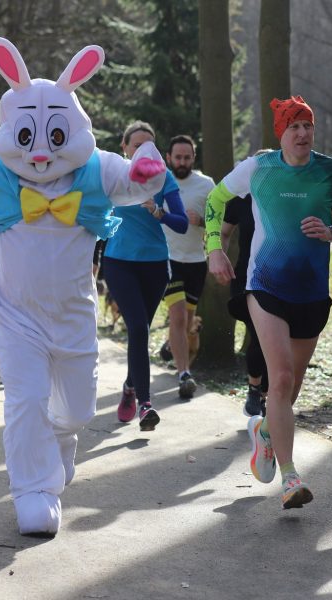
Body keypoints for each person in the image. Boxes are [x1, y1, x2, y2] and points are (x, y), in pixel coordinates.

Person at [0, 38, 167, 536]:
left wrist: (149, 168)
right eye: (29, 136)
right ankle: (33, 491)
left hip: (73, 313)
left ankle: (60, 443)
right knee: (25, 400)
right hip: (15, 311)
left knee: (75, 409)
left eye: (55, 135)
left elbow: (138, 186)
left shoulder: (95, 169)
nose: (43, 151)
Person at [205, 96, 332, 509]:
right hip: (265, 285)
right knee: (283, 377)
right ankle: (290, 479)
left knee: (290, 385)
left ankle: (267, 434)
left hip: (311, 292)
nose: (303, 133)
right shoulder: (258, 168)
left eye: (308, 125)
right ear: (281, 133)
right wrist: (213, 249)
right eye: (294, 126)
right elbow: (214, 202)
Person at [105, 121, 189, 431]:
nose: (143, 150)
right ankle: (145, 404)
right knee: (138, 328)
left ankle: (130, 386)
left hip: (155, 265)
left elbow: (181, 223)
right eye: (137, 145)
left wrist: (159, 212)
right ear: (124, 148)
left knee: (139, 334)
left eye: (149, 145)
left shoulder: (163, 177)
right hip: (118, 261)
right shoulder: (112, 174)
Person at [160, 134, 214, 399]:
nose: (182, 162)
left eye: (187, 157)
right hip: (167, 259)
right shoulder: (159, 182)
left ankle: (172, 344)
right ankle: (184, 374)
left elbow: (219, 221)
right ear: (168, 158)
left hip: (196, 261)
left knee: (188, 323)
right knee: (179, 316)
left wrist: (201, 220)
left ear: (194, 157)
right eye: (177, 157)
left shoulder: (206, 185)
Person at [219, 153, 269, 417]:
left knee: (275, 338)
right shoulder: (242, 199)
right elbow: (224, 232)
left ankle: (266, 394)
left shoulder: (284, 196)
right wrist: (219, 256)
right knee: (259, 333)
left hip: (281, 276)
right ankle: (255, 388)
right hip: (247, 276)